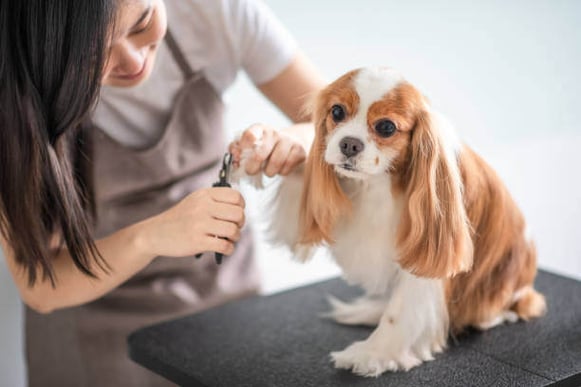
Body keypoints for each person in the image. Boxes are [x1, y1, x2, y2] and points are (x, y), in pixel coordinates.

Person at [0, 0, 324, 385]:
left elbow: (331, 121)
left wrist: (294, 142)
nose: (133, 60)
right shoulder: (13, 86)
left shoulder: (215, 11)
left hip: (225, 313)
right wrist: (151, 236)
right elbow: (41, 284)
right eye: (91, 56)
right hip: (90, 340)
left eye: (143, 22)